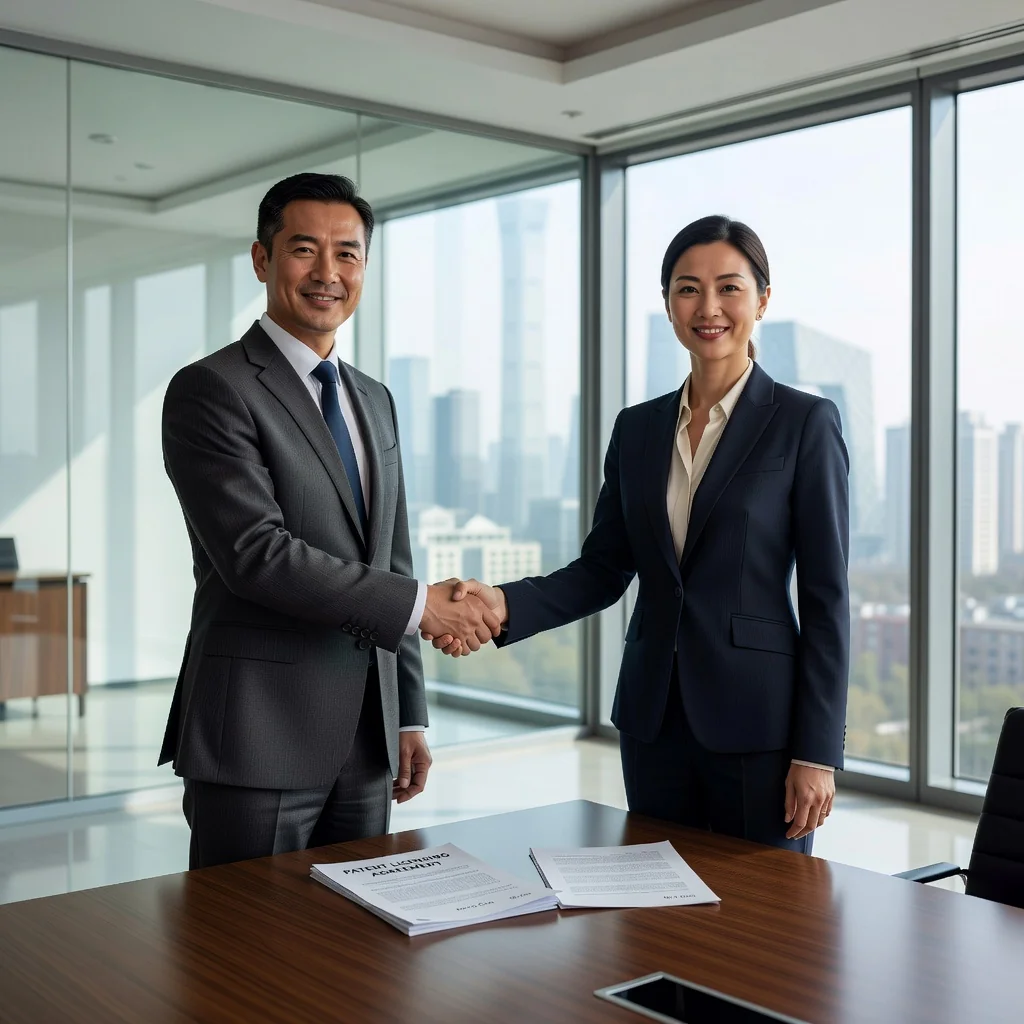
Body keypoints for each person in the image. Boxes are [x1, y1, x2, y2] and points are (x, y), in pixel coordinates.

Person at [428, 215, 850, 853]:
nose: (708, 307)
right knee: (654, 912)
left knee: (763, 925)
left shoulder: (803, 422)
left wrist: (817, 752)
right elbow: (604, 567)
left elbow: (827, 598)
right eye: (687, 289)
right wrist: (501, 604)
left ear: (763, 299)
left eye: (729, 288)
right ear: (668, 304)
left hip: (759, 726)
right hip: (653, 721)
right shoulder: (639, 429)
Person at [160, 173, 500, 869]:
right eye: (304, 249)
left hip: (368, 741)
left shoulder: (373, 399)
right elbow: (257, 554)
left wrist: (406, 711)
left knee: (358, 956)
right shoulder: (212, 389)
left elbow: (392, 562)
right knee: (245, 953)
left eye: (347, 254)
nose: (328, 273)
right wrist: (425, 610)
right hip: (259, 732)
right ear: (262, 259)